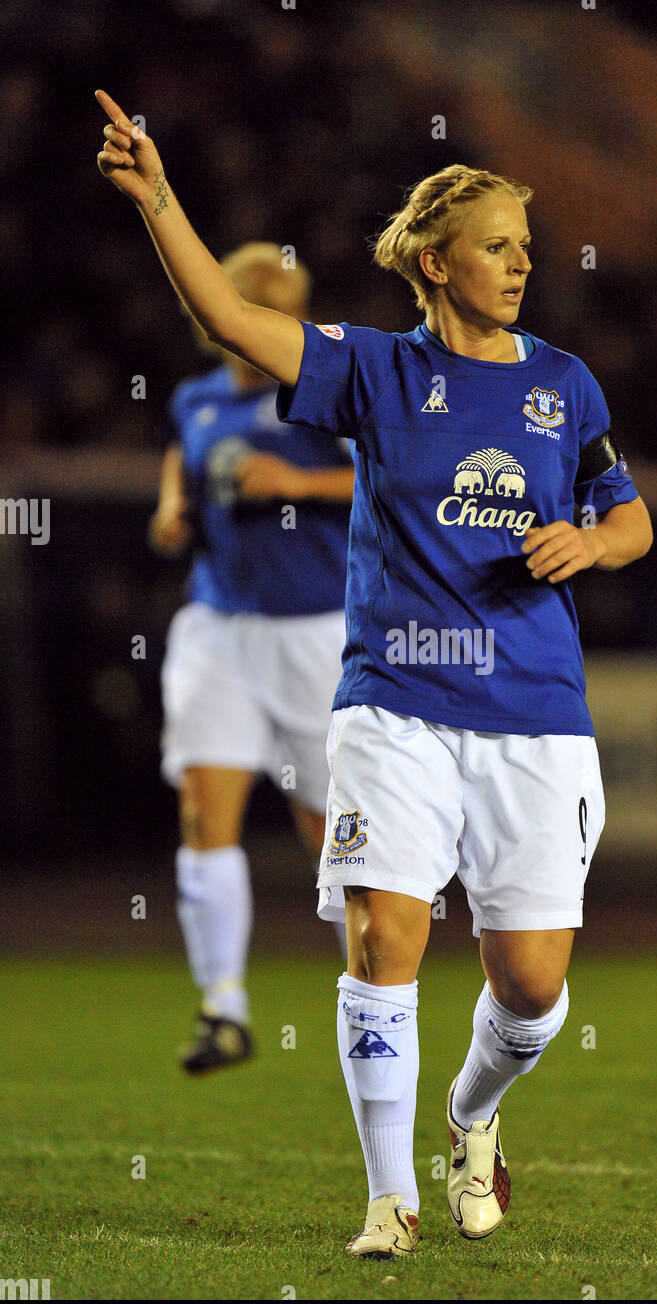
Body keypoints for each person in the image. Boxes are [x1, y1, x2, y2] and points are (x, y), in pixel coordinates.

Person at [96, 91, 652, 1253]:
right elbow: (229, 316)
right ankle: (387, 1198)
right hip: (392, 705)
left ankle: (471, 1113)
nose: (521, 263)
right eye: (496, 245)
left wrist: (592, 544)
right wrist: (158, 197)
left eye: (524, 244)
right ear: (437, 263)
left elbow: (630, 516)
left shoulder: (564, 384)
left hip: (533, 714)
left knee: (532, 987)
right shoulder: (372, 371)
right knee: (382, 942)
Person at [148, 241, 354, 1074]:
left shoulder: (324, 393)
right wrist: (172, 505)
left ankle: (372, 1000)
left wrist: (299, 485)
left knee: (332, 833)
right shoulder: (197, 397)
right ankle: (222, 1009)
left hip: (317, 631)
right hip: (219, 626)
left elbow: (392, 482)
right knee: (205, 810)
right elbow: (182, 452)